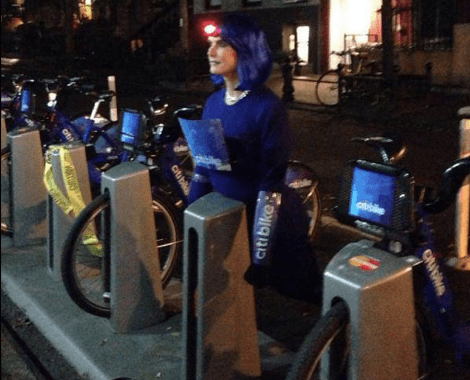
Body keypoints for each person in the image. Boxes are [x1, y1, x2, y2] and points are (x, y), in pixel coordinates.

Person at [187, 13, 320, 302]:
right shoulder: (212, 103)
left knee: (296, 295)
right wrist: (191, 215)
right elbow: (204, 168)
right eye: (210, 44)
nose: (211, 52)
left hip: (269, 222)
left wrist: (261, 256)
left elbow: (271, 183)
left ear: (245, 49)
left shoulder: (267, 108)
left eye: (221, 44)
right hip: (224, 217)